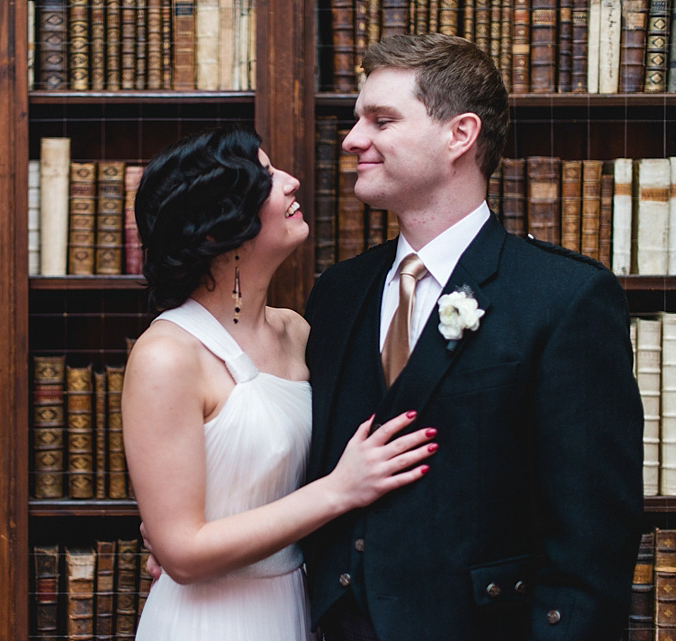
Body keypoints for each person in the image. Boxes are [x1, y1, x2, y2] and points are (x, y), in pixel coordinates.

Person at [303, 33, 644, 641]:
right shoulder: (338, 293)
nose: (353, 140)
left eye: (380, 120)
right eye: (357, 120)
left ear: (459, 135)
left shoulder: (565, 298)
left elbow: (593, 543)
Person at [122, 125, 438, 641]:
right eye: (266, 177)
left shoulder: (298, 330)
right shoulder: (167, 355)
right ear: (215, 228)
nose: (292, 182)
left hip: (296, 606)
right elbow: (181, 553)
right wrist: (339, 490)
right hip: (210, 621)